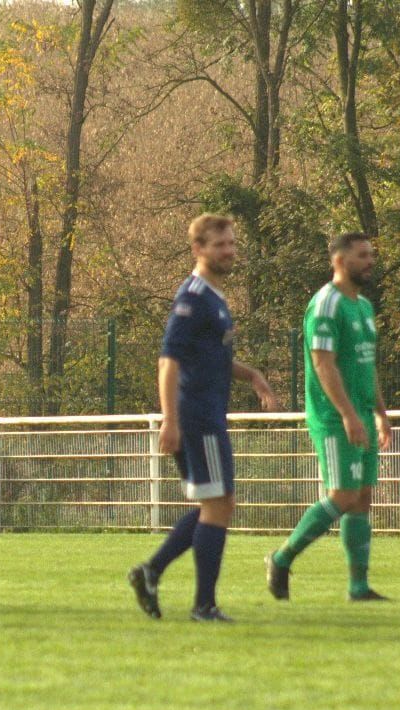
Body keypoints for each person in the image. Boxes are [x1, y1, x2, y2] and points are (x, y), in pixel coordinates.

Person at [127, 213, 278, 622]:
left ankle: (151, 572)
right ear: (198, 249)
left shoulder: (215, 296)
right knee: (218, 505)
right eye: (219, 244)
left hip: (206, 414)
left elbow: (215, 357)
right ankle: (203, 606)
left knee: (218, 503)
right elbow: (168, 360)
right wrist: (169, 420)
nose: (229, 250)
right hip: (196, 415)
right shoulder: (193, 298)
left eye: (231, 243)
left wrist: (253, 376)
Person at [266, 233, 391, 602]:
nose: (370, 261)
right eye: (362, 255)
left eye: (371, 255)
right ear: (339, 261)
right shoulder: (325, 304)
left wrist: (380, 414)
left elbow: (367, 365)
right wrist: (349, 415)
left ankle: (358, 587)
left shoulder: (364, 306)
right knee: (342, 495)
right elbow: (323, 364)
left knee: (362, 496)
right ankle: (281, 557)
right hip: (334, 417)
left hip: (361, 416)